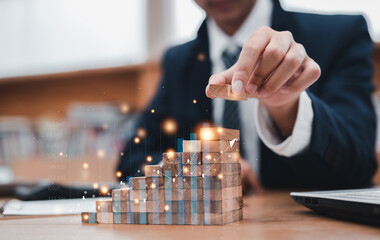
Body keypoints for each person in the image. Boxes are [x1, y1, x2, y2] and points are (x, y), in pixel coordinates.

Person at [117, 0, 377, 191]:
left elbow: (359, 167)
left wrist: (289, 107)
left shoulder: (340, 34)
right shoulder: (178, 60)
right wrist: (193, 169)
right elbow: (132, 160)